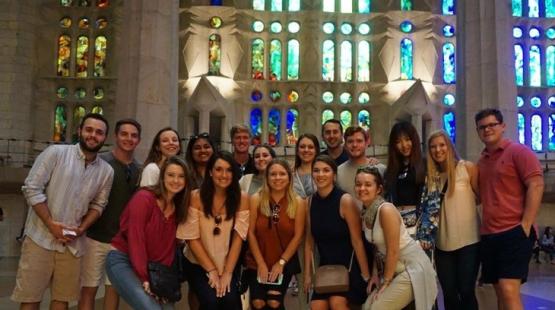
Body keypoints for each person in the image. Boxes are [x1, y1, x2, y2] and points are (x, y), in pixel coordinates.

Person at [12, 113, 114, 310]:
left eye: (99, 132)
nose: (93, 135)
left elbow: (99, 205)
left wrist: (81, 229)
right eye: (89, 130)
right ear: (80, 131)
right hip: (39, 238)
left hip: (72, 243)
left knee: (62, 300)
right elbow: (31, 188)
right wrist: (51, 225)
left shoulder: (106, 171)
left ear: (105, 138)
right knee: (31, 298)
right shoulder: (55, 153)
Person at [475, 108, 544, 310]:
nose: (487, 129)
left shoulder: (518, 152)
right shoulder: (482, 161)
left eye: (492, 125)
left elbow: (536, 184)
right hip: (490, 234)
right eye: (482, 127)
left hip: (513, 231)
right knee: (499, 293)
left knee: (508, 290)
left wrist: (526, 224)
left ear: (503, 126)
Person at [106, 156, 191, 309]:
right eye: (170, 175)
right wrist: (145, 279)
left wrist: (158, 283)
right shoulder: (144, 198)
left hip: (154, 268)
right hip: (123, 259)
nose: (175, 180)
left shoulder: (179, 209)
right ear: (162, 177)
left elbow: (167, 251)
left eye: (181, 176)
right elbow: (135, 239)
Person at [79, 119, 142, 310]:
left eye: (134, 135)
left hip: (121, 242)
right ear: (115, 136)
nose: (128, 139)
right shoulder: (101, 162)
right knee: (88, 289)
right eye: (124, 134)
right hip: (95, 238)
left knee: (113, 289)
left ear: (138, 140)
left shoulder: (140, 169)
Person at [355, 166, 437, 310]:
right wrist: (375, 275)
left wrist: (385, 283)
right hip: (394, 267)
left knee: (377, 308)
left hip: (412, 268)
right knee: (366, 306)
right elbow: (377, 248)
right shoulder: (366, 212)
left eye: (368, 184)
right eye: (358, 184)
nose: (362, 188)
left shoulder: (385, 210)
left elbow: (393, 250)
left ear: (379, 189)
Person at [178, 151, 249, 309]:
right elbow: (191, 238)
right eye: (218, 169)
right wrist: (211, 270)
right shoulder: (195, 197)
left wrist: (228, 273)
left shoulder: (242, 198)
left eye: (229, 170)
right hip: (198, 262)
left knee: (231, 302)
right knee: (211, 301)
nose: (224, 175)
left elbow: (239, 237)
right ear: (210, 172)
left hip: (227, 261)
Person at [418, 130, 480, 310]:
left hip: (469, 241)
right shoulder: (430, 176)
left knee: (467, 291)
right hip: (442, 244)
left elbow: (480, 196)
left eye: (442, 145)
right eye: (433, 147)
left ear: (449, 146)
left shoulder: (466, 168)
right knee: (449, 293)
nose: (438, 150)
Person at [304, 155, 371, 309]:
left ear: (334, 175)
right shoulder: (309, 202)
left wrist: (366, 276)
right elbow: (309, 242)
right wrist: (308, 275)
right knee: (316, 305)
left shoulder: (345, 200)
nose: (320, 174)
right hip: (326, 270)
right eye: (316, 170)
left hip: (350, 267)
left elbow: (357, 241)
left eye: (326, 170)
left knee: (337, 302)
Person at [245, 159, 306, 309]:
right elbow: (250, 233)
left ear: (289, 177)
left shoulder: (298, 202)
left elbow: (298, 236)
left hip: (283, 261)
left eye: (282, 174)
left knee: (274, 302)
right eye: (273, 174)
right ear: (266, 178)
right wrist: (260, 263)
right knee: (258, 303)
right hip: (257, 259)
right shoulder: (256, 199)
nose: (277, 178)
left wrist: (281, 263)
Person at [384, 121, 425, 237]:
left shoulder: (425, 165)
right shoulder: (391, 170)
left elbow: (431, 202)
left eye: (407, 139)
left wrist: (426, 234)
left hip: (418, 225)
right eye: (398, 141)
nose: (404, 145)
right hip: (396, 223)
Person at [337, 126, 386, 203]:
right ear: (345, 145)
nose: (355, 145)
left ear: (367, 143)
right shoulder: (338, 172)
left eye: (359, 141)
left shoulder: (381, 169)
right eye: (350, 141)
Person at [292, 133, 320, 199]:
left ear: (316, 150)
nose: (306, 150)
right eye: (302, 147)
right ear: (297, 151)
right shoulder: (290, 174)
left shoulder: (323, 173)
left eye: (310, 147)